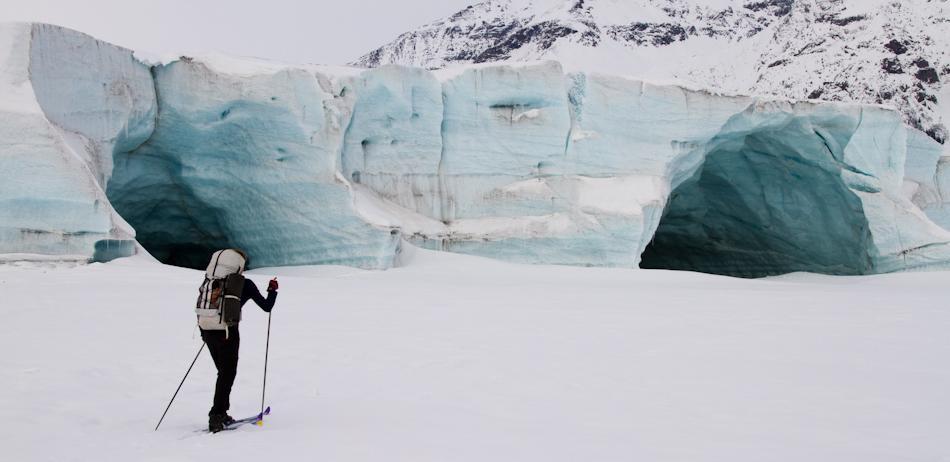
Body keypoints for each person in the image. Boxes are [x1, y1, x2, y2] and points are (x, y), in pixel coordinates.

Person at [196, 248, 278, 432]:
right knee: (227, 374)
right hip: (227, 333)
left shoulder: (211, 282)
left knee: (223, 373)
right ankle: (217, 415)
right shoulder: (244, 284)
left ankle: (220, 413)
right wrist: (272, 290)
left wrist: (206, 332)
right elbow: (267, 306)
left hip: (208, 330)